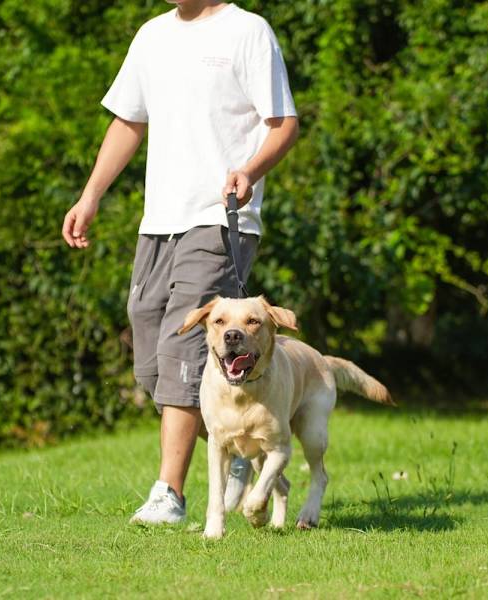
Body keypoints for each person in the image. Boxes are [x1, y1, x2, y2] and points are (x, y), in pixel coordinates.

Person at [62, 0, 298, 524]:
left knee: (186, 343)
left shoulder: (247, 31)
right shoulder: (150, 35)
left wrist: (251, 170)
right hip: (158, 221)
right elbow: (128, 121)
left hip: (221, 215)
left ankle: (170, 493)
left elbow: (283, 125)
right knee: (149, 339)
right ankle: (235, 442)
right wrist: (91, 194)